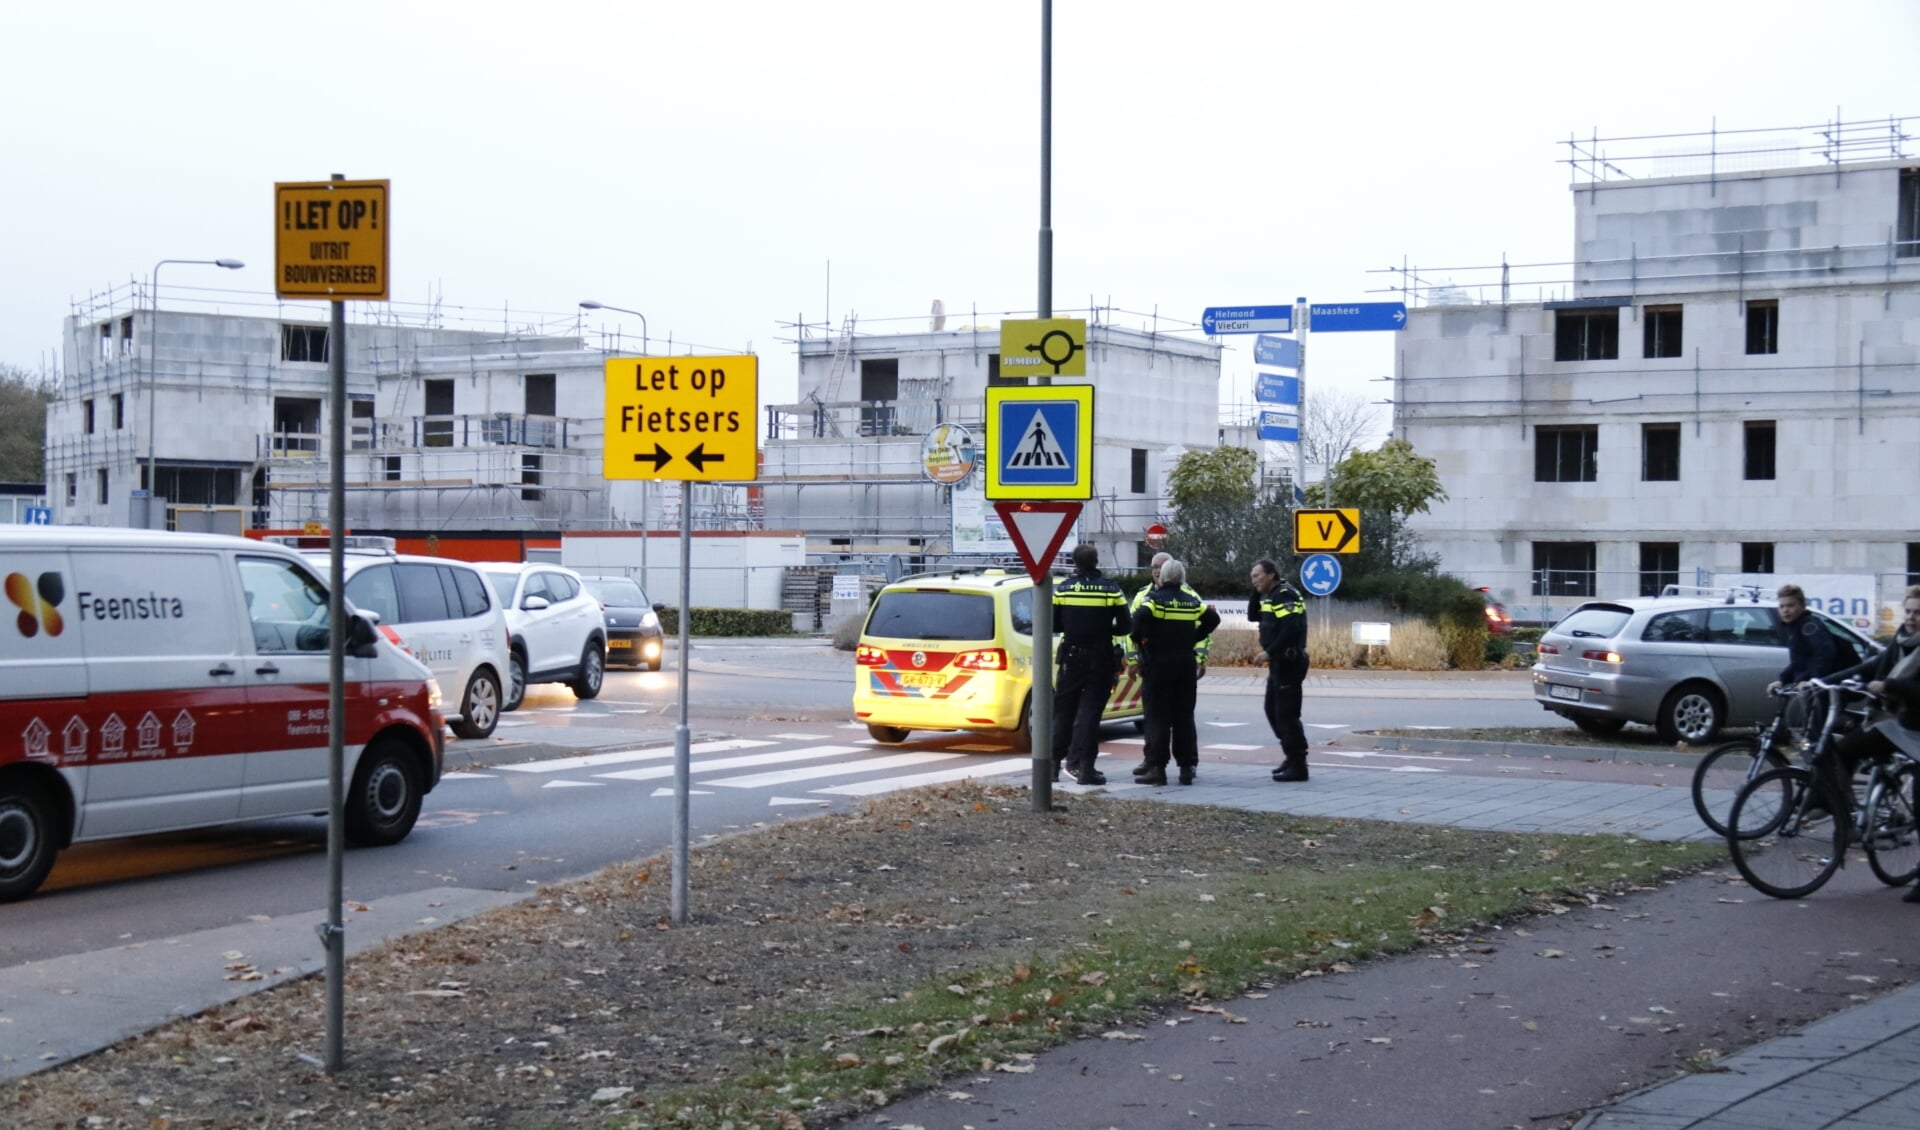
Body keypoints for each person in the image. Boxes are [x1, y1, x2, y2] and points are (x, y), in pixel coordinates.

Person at [1812, 587, 1920, 902]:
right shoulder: (1900, 643)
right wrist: (1826, 681)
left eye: (1918, 614)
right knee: (1843, 748)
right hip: (1895, 726)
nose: (1912, 619)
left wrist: (1891, 685)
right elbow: (1867, 668)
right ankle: (1844, 821)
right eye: (1909, 612)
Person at [1130, 558, 1220, 785]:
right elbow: (1213, 618)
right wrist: (1193, 637)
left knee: (1157, 717)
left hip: (1158, 665)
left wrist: (1141, 642)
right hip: (1185, 664)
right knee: (1183, 718)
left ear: (1163, 576)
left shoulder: (1154, 600)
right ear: (1181, 577)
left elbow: (1137, 621)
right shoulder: (1191, 601)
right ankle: (1186, 768)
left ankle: (1157, 769)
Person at [1051, 543, 1129, 785]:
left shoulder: (1063, 590)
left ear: (1075, 563)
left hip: (1071, 657)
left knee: (1063, 712)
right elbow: (1126, 626)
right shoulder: (1111, 590)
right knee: (1090, 713)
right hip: (1100, 657)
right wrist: (1105, 629)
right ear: (1096, 561)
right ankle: (1086, 770)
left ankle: (1052, 768)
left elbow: (1054, 625)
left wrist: (1075, 629)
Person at [1249, 557, 1310, 782]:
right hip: (1279, 665)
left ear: (1271, 575)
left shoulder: (1285, 595)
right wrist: (1256, 591)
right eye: (1252, 577)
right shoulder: (1271, 597)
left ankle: (1299, 764)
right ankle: (1291, 757)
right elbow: (1252, 616)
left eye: (1257, 576)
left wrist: (1269, 652)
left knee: (1286, 715)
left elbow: (1291, 629)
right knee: (1272, 710)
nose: (1254, 580)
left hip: (1289, 662)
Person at [1769, 583, 1842, 693]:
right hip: (1806, 686)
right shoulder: (1795, 627)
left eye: (1790, 605)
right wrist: (1782, 680)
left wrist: (1814, 680)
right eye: (1782, 606)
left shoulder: (1809, 626)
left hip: (1820, 688)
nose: (1785, 610)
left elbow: (1824, 653)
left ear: (1803, 606)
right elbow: (1799, 662)